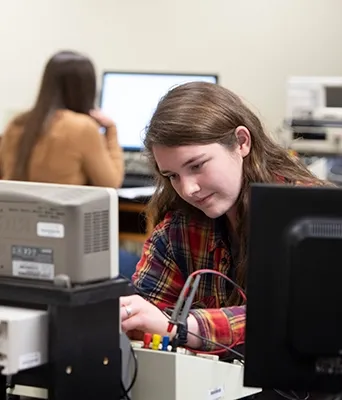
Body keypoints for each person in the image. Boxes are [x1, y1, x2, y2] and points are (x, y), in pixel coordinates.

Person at [120, 81, 325, 351]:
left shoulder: (307, 217)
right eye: (172, 176)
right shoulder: (179, 229)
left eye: (197, 165)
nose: (188, 189)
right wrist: (131, 318)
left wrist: (182, 329)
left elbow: (302, 317)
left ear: (241, 142)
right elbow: (150, 312)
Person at [0, 50, 124, 188]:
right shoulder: (82, 127)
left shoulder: (17, 123)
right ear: (87, 88)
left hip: (12, 209)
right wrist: (111, 129)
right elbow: (111, 184)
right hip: (58, 210)